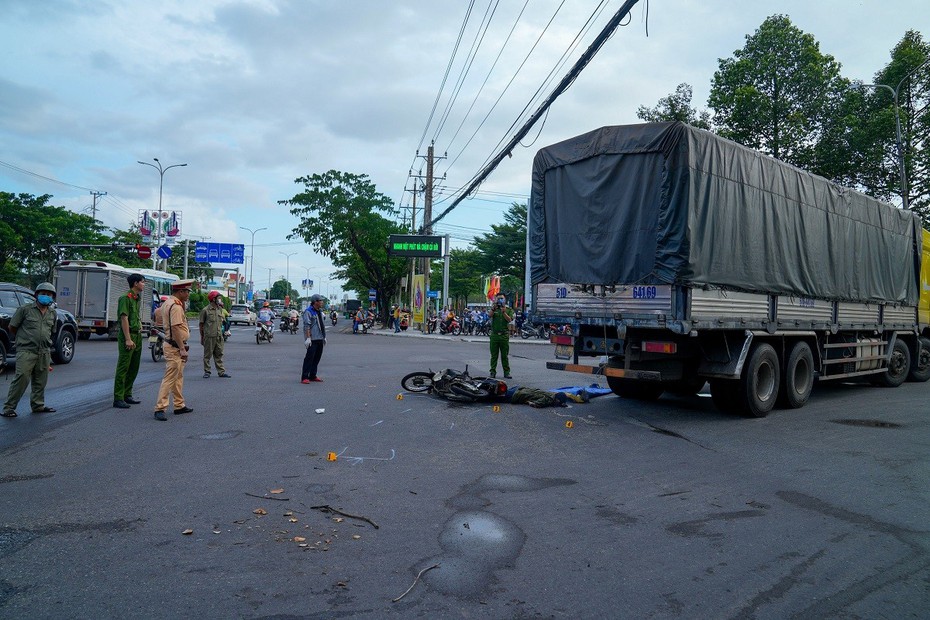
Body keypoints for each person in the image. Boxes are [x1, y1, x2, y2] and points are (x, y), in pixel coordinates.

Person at [2, 282, 59, 418]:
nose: (46, 296)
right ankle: (9, 408)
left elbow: (52, 331)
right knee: (21, 378)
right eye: (43, 294)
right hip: (26, 350)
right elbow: (12, 327)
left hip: (44, 351)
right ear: (36, 295)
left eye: (49, 294)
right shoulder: (25, 309)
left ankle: (38, 405)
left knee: (41, 380)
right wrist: (25, 338)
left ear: (52, 297)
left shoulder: (53, 313)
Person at [154, 279, 195, 421]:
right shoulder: (176, 306)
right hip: (175, 346)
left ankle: (179, 405)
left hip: (174, 345)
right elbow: (176, 328)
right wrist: (182, 348)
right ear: (180, 291)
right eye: (187, 291)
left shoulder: (168, 303)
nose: (188, 294)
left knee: (178, 377)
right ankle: (160, 407)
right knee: (170, 377)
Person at [113, 273, 145, 409]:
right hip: (129, 335)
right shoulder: (125, 298)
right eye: (142, 282)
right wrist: (127, 339)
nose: (144, 284)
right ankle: (118, 397)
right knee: (124, 366)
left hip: (137, 335)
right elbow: (124, 319)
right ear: (136, 283)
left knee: (134, 366)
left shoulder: (137, 298)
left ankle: (127, 393)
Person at [199, 291, 231, 379]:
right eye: (218, 298)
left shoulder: (220, 309)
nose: (219, 300)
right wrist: (202, 337)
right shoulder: (205, 310)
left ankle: (221, 372)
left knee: (219, 354)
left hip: (219, 336)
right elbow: (201, 324)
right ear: (213, 299)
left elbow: (223, 322)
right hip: (209, 336)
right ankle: (207, 371)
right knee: (207, 355)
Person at [301, 294, 327, 383]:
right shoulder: (308, 312)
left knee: (317, 358)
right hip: (312, 339)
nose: (322, 302)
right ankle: (305, 377)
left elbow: (322, 325)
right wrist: (308, 338)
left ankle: (313, 375)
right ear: (315, 302)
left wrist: (324, 337)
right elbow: (306, 326)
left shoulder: (319, 311)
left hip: (320, 338)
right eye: (321, 301)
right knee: (309, 358)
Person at [489, 293, 515, 379]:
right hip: (495, 335)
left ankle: (506, 372)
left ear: (505, 300)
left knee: (504, 355)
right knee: (494, 355)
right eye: (498, 299)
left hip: (504, 335)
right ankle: (492, 371)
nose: (500, 300)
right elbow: (489, 315)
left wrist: (504, 312)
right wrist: (493, 309)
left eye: (501, 299)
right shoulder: (494, 308)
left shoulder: (508, 310)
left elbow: (509, 319)